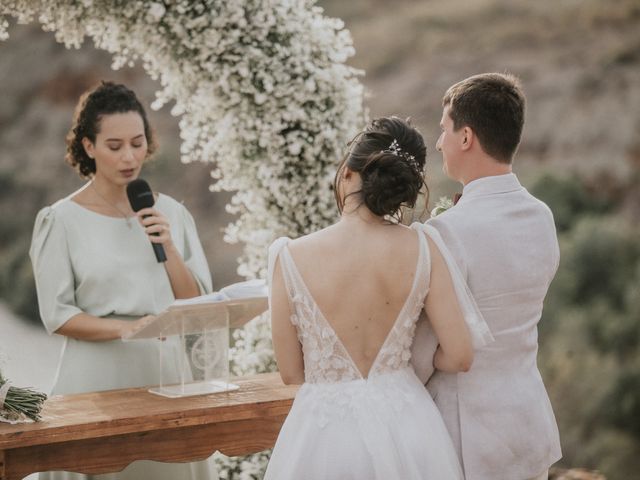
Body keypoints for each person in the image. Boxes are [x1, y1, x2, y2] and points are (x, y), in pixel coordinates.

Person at [264, 116, 494, 479]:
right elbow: (461, 355)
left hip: (324, 435)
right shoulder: (423, 246)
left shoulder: (288, 257)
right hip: (409, 423)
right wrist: (400, 366)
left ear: (347, 174)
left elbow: (291, 372)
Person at [29, 81, 219, 480]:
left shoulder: (171, 214)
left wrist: (167, 246)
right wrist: (126, 329)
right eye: (115, 146)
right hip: (94, 381)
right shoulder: (60, 220)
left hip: (165, 379)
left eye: (137, 142)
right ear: (88, 147)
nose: (130, 156)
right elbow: (57, 315)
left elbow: (196, 304)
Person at [414, 72, 562, 480]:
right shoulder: (543, 217)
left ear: (466, 137)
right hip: (528, 421)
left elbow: (426, 346)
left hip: (467, 433)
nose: (440, 141)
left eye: (444, 129)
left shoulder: (446, 231)